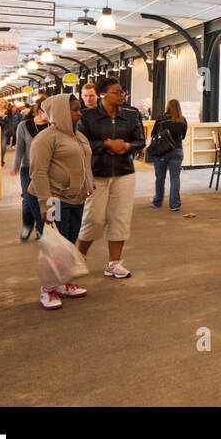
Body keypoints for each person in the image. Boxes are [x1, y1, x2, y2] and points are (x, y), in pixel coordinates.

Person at [27, 94, 93, 310]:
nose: (79, 113)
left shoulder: (79, 136)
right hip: (53, 199)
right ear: (62, 111)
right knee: (54, 246)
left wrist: (89, 185)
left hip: (76, 198)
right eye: (74, 109)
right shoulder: (46, 138)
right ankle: (47, 289)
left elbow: (85, 163)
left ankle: (62, 283)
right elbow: (37, 172)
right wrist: (45, 204)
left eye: (79, 109)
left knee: (68, 243)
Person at [76, 77, 145, 279]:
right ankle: (79, 257)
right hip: (97, 173)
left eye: (122, 91)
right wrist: (106, 144)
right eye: (117, 92)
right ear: (103, 94)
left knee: (120, 218)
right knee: (94, 219)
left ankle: (114, 263)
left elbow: (140, 141)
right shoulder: (87, 116)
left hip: (124, 172)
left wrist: (126, 147)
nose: (121, 95)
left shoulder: (131, 116)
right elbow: (81, 143)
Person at [13, 95, 50, 242]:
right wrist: (15, 166)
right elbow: (19, 148)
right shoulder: (24, 126)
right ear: (40, 111)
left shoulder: (55, 125)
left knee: (50, 199)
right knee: (29, 199)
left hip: (50, 168)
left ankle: (45, 229)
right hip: (28, 168)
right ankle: (28, 225)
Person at [150, 99, 187, 211]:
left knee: (160, 177)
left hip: (162, 151)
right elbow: (183, 136)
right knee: (175, 178)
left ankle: (158, 201)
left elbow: (153, 134)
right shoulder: (183, 120)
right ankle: (175, 204)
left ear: (168, 107)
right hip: (177, 151)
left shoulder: (161, 118)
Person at [0, 99, 11, 166]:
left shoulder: (8, 111)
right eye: (0, 102)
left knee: (3, 147)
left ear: (5, 104)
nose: (1, 103)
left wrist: (4, 117)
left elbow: (10, 121)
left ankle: (1, 160)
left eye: (3, 102)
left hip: (4, 130)